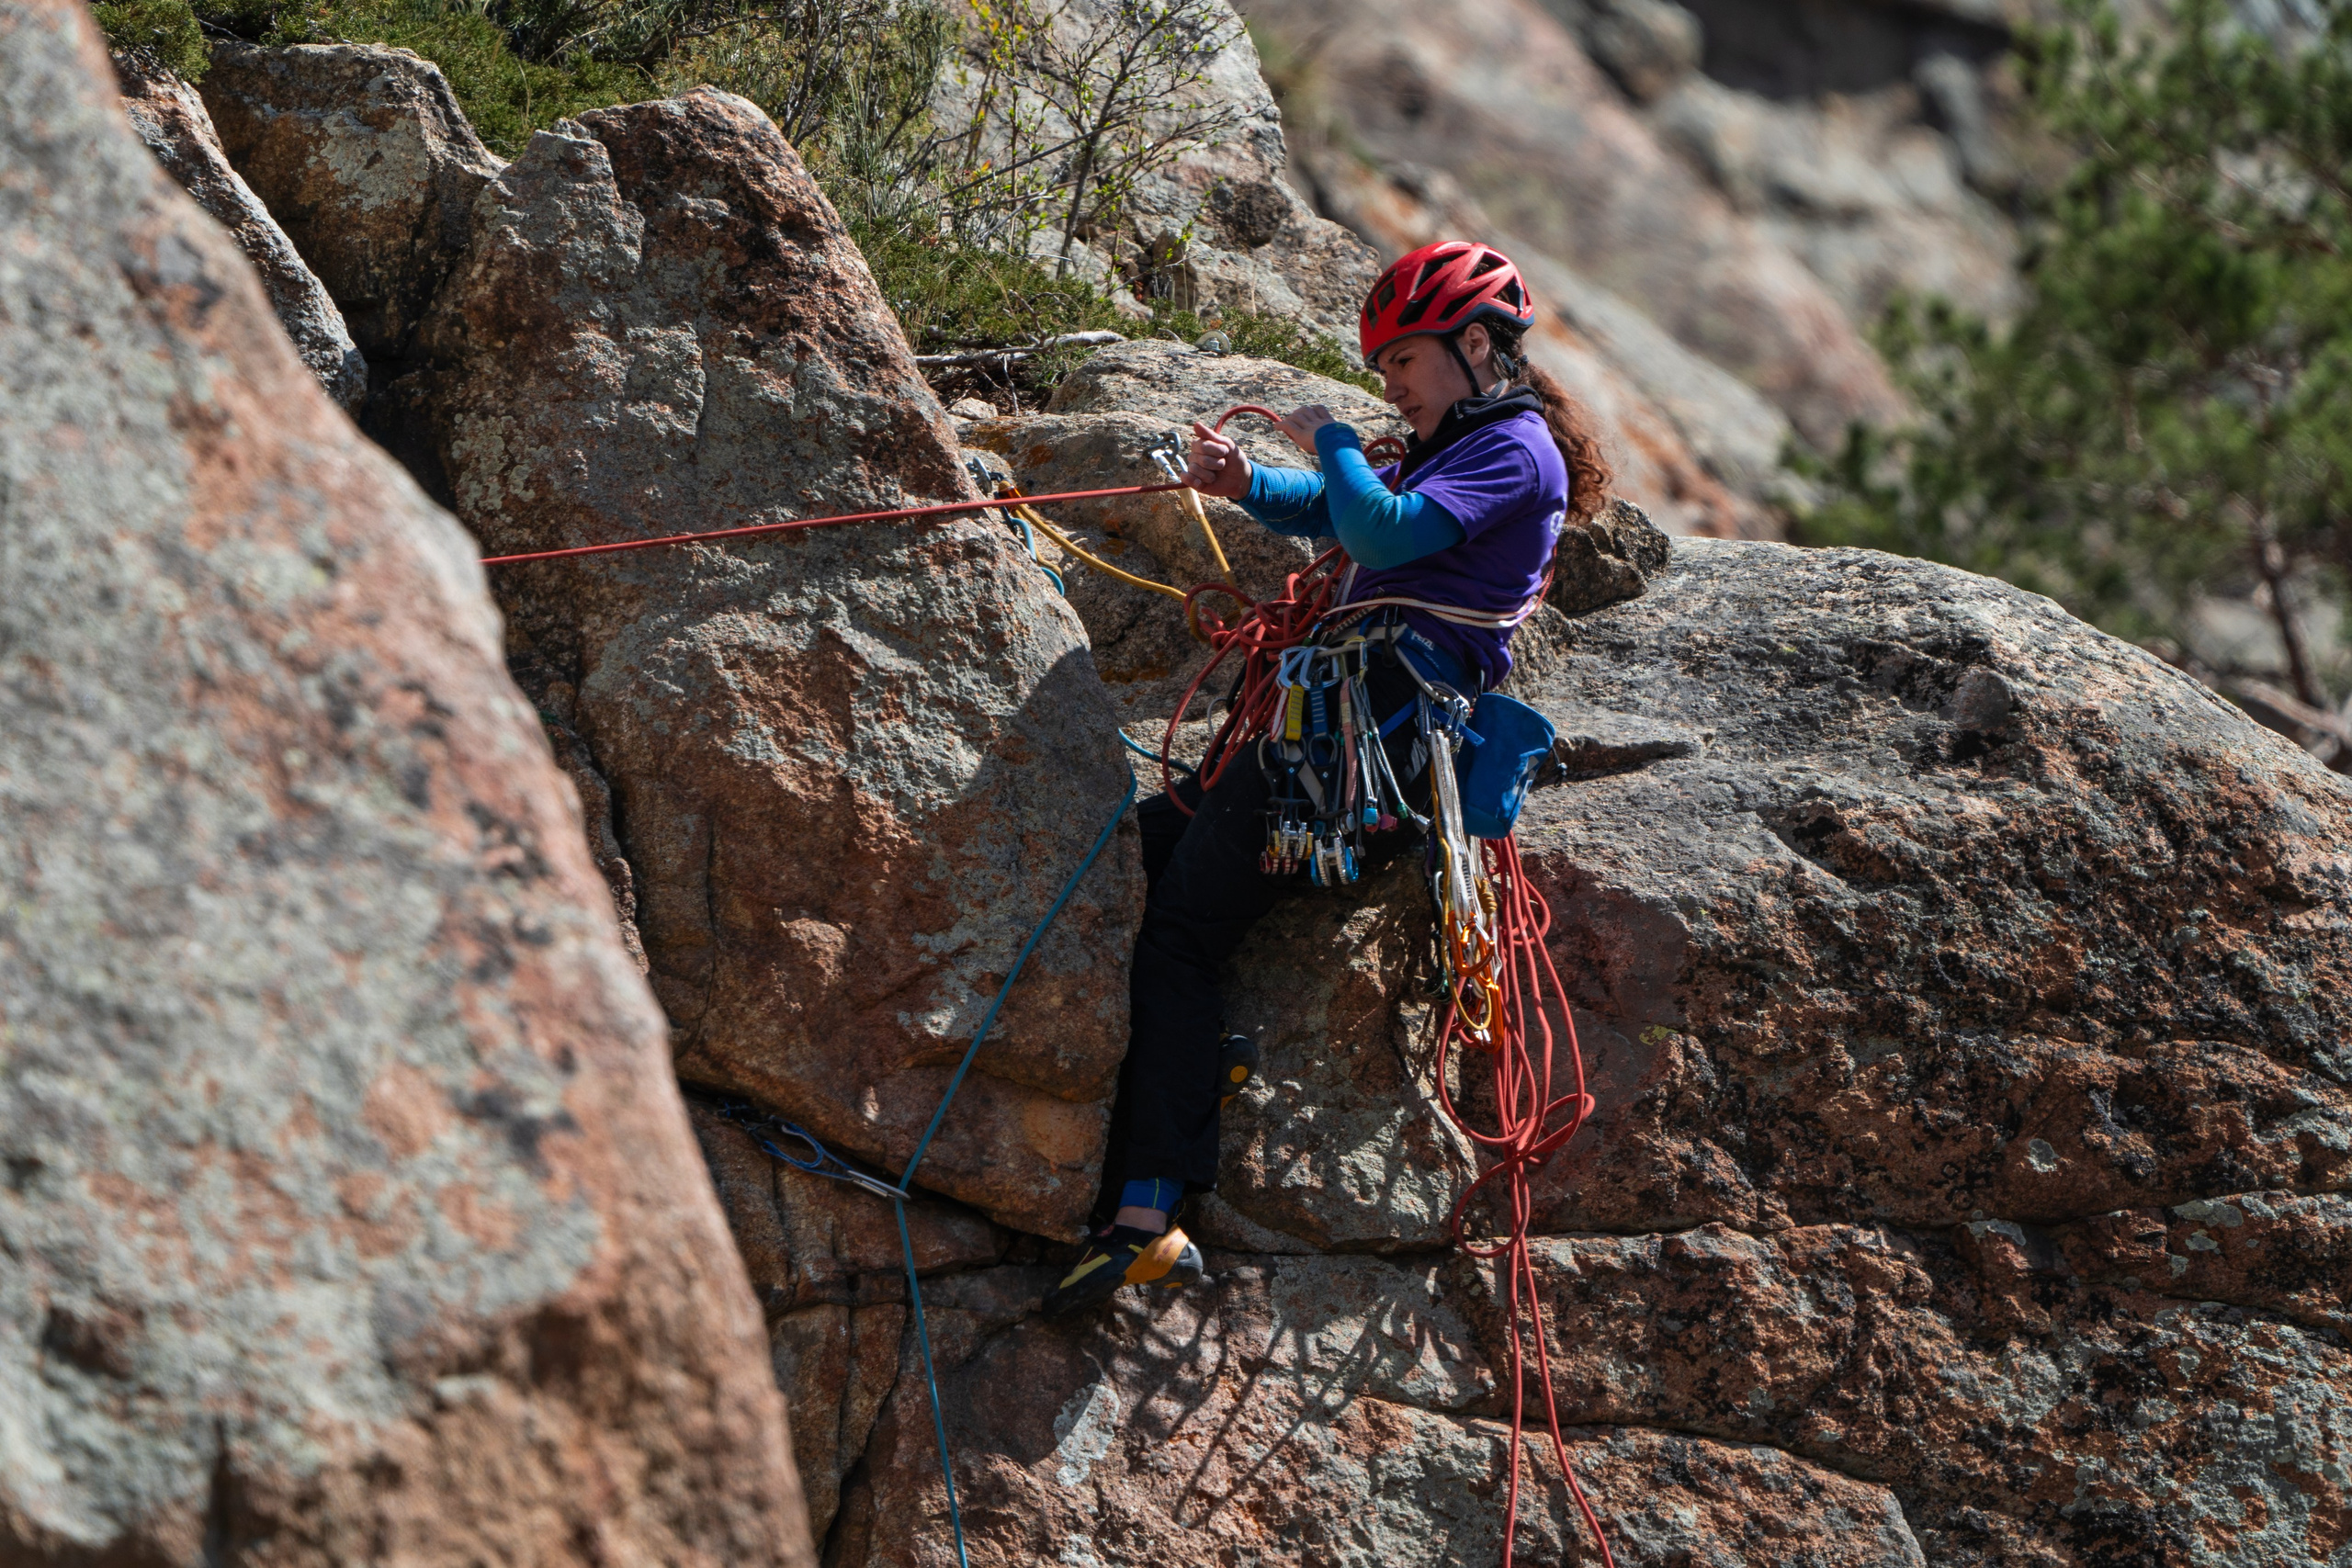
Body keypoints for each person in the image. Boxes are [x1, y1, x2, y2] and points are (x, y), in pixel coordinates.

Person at [1042, 241, 1613, 1318]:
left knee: (1179, 930)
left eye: (1403, 357)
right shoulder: (1453, 446)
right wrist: (1246, 482)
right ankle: (1192, 1066)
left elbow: (1378, 530)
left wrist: (1338, 443)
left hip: (1373, 751)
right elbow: (1333, 513)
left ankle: (1145, 1215)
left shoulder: (1517, 453)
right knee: (1130, 853)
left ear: (1477, 346)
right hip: (1327, 735)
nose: (1387, 379)